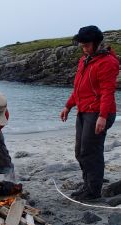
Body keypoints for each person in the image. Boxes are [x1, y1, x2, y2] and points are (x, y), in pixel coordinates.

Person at [60, 25, 120, 201]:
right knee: (80, 151)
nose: (83, 48)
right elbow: (79, 89)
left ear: (97, 43)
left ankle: (93, 191)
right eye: (82, 45)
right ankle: (88, 184)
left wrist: (102, 116)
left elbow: (108, 91)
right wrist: (68, 106)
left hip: (99, 112)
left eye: (86, 45)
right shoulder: (85, 60)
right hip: (84, 111)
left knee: (90, 151)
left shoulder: (108, 62)